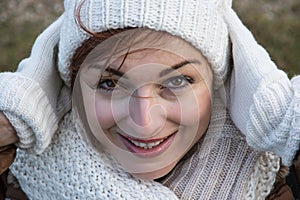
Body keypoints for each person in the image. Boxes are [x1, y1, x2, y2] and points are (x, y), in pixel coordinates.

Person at [0, 0, 299, 199]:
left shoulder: (272, 182)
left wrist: (284, 121)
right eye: (109, 83)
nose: (145, 121)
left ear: (220, 81)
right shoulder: (20, 177)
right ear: (71, 85)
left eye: (178, 81)